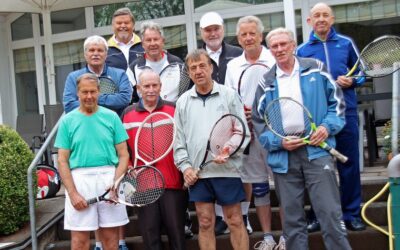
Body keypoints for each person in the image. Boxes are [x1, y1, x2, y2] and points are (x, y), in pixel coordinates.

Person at [252, 27, 351, 250]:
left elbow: (338, 105)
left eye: (283, 44)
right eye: (274, 46)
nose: (279, 49)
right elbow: (260, 124)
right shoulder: (265, 82)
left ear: (293, 45)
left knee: (330, 215)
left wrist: (326, 127)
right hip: (284, 159)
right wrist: (279, 142)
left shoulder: (315, 68)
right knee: (292, 223)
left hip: (317, 151)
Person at [297, 2, 366, 232]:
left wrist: (353, 80)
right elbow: (297, 84)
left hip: (346, 113)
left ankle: (352, 214)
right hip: (317, 120)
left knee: (349, 165)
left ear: (332, 19)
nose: (321, 19)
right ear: (309, 21)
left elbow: (363, 72)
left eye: (325, 15)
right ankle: (318, 215)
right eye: (316, 15)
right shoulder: (302, 50)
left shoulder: (345, 44)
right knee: (319, 169)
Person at [174, 49, 250, 250]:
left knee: (234, 220)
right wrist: (186, 168)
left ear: (211, 68)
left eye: (202, 66)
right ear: (189, 73)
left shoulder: (229, 95)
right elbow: (179, 142)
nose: (198, 71)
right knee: (205, 222)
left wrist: (229, 149)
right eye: (193, 68)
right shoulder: (182, 102)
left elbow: (242, 131)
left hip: (227, 170)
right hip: (199, 175)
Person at [224, 15, 284, 250]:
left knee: (283, 185)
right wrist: (242, 114)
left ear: (260, 36)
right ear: (238, 39)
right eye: (243, 34)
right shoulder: (232, 66)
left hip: (276, 134)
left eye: (252, 33)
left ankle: (288, 235)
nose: (248, 38)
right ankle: (268, 237)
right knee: (258, 186)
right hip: (248, 136)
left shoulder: (274, 59)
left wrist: (264, 113)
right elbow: (231, 100)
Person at [55, 73, 130, 250]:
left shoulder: (112, 117)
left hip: (108, 179)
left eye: (93, 91)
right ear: (77, 93)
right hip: (80, 181)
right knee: (79, 241)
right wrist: (72, 193)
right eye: (84, 92)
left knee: (110, 240)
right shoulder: (67, 121)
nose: (89, 96)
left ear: (98, 92)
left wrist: (116, 184)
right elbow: (62, 160)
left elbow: (124, 155)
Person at [121, 69, 186, 250]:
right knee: (150, 237)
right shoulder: (127, 113)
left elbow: (184, 141)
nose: (150, 89)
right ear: (138, 89)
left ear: (160, 87)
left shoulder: (174, 109)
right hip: (143, 185)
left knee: (177, 235)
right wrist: (128, 168)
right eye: (146, 86)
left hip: (172, 183)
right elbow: (122, 149)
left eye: (154, 85)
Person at [198, 11, 243, 236]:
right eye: (208, 29)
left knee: (238, 169)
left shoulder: (237, 53)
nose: (212, 33)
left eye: (216, 28)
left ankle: (242, 215)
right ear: (201, 33)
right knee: (212, 168)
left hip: (234, 122)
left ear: (223, 29)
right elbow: (185, 92)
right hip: (206, 122)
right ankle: (218, 218)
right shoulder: (196, 58)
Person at [63, 35, 132, 115]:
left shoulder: (120, 75)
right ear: (85, 54)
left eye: (100, 50)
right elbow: (69, 106)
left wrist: (91, 99)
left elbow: (125, 99)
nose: (96, 54)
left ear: (106, 54)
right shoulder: (73, 77)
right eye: (91, 50)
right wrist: (110, 100)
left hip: (112, 124)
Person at [130, 21, 190, 102]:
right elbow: (131, 98)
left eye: (156, 39)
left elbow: (185, 95)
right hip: (146, 113)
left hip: (172, 113)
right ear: (142, 44)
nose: (153, 43)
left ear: (163, 41)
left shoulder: (178, 64)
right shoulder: (134, 67)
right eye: (148, 40)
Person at [106, 7, 144, 103]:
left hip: (144, 101)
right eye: (119, 23)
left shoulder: (144, 46)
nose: (123, 26)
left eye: (126, 23)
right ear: (113, 26)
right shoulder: (105, 50)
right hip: (117, 102)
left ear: (133, 25)